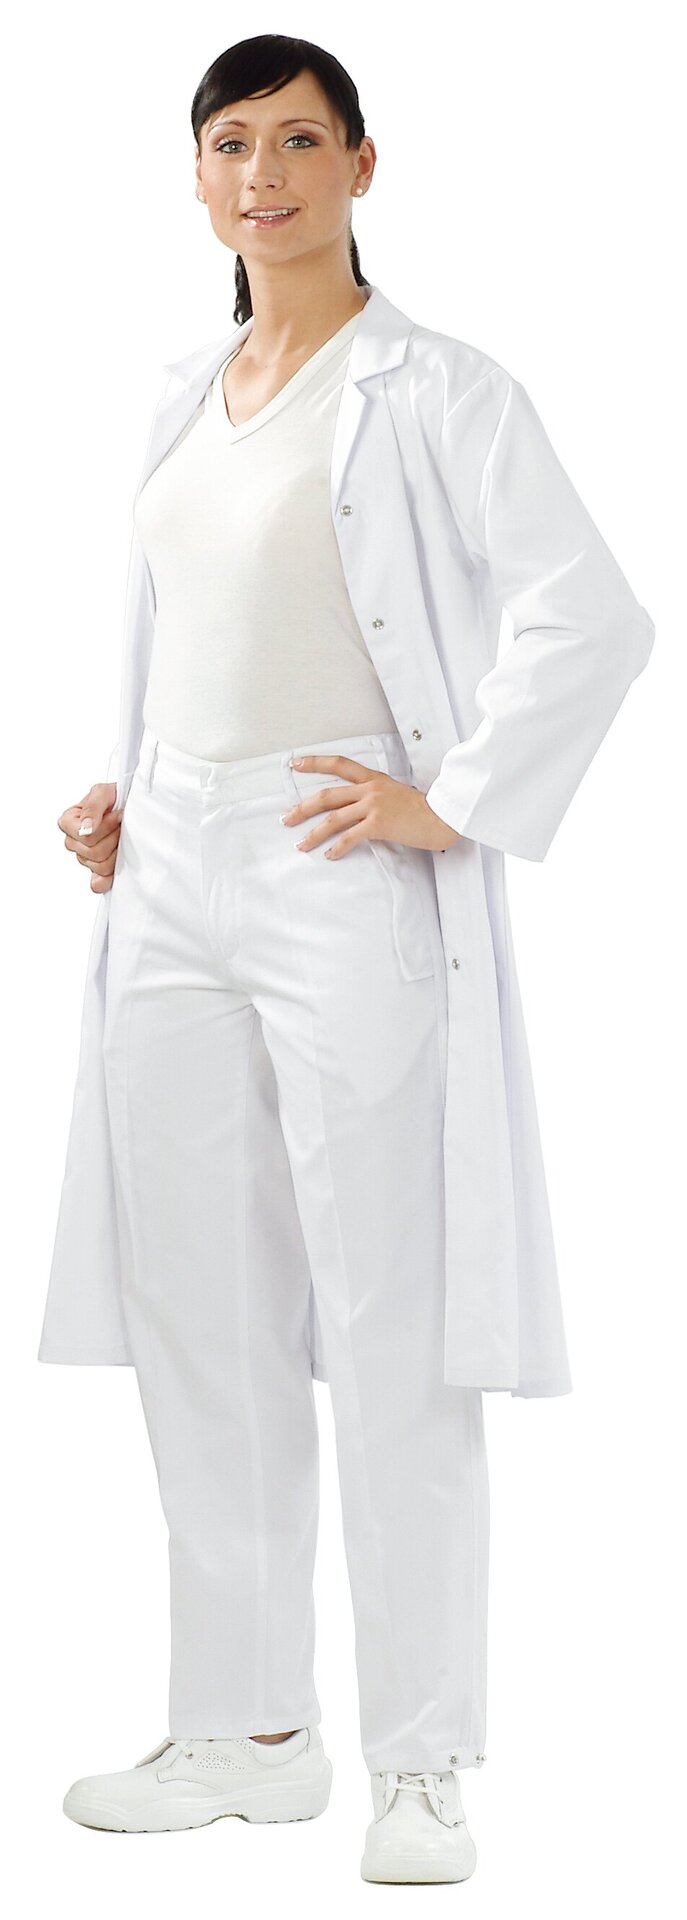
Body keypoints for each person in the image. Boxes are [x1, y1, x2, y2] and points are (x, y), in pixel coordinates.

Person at [42, 32, 654, 1885]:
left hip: (338, 863)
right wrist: (128, 798)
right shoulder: (182, 393)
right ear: (195, 177)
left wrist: (450, 801)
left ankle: (421, 1758)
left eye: (301, 141)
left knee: (393, 1312)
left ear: (363, 167)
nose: (264, 175)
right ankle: (247, 1732)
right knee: (199, 1315)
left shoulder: (441, 389)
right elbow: (202, 627)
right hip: (173, 874)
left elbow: (593, 616)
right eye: (231, 143)